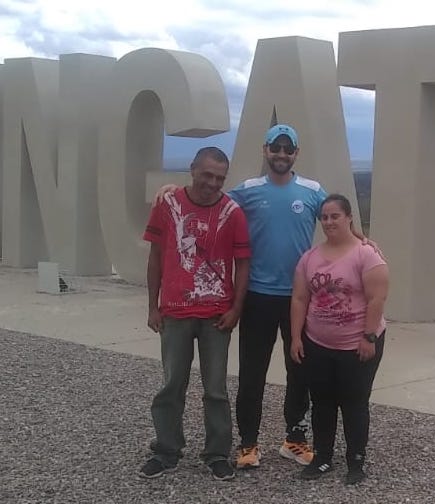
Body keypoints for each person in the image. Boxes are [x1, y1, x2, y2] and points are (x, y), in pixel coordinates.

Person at [155, 124, 328, 469]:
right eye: (275, 148)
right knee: (252, 374)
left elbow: (335, 217)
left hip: (298, 298)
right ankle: (248, 444)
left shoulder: (313, 190)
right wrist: (172, 189)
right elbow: (205, 197)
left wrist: (360, 238)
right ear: (265, 150)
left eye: (287, 149)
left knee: (300, 372)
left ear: (296, 153)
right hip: (257, 297)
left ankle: (294, 439)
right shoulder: (247, 190)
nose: (281, 155)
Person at [139, 146, 251, 481]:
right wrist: (152, 306)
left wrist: (236, 309)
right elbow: (156, 256)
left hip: (216, 314)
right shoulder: (168, 204)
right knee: (172, 384)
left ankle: (216, 453)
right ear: (192, 169)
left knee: (215, 389)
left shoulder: (233, 213)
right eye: (207, 175)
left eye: (219, 178)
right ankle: (166, 449)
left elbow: (243, 264)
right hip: (175, 311)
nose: (213, 183)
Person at [289, 193, 389, 485]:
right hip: (318, 344)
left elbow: (377, 297)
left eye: (335, 216)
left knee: (355, 402)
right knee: (322, 402)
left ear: (348, 219)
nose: (329, 221)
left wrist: (368, 337)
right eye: (325, 217)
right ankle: (322, 457)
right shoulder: (310, 258)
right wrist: (296, 337)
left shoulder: (366, 254)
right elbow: (299, 298)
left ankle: (356, 461)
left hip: (357, 344)